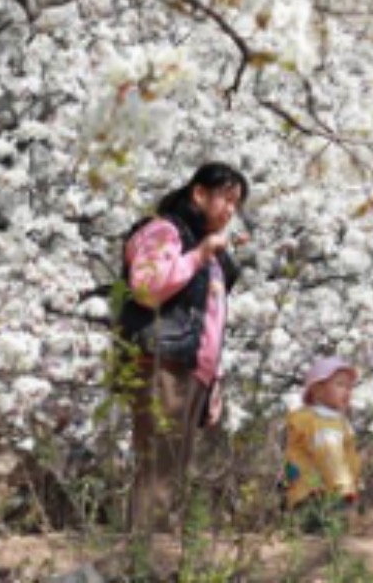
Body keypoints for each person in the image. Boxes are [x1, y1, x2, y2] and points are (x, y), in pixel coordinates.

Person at [115, 161, 249, 533]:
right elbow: (146, 288)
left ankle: (155, 551)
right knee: (159, 465)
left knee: (174, 468)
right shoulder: (165, 231)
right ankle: (143, 552)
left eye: (236, 203)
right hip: (164, 361)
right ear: (199, 194)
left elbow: (210, 323)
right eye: (226, 198)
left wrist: (214, 381)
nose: (230, 210)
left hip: (193, 369)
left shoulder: (212, 254)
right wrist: (198, 255)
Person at [283, 355, 362, 525]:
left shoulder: (342, 423)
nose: (347, 391)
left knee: (335, 533)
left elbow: (350, 456)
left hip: (336, 491)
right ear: (317, 390)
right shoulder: (310, 419)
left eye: (350, 387)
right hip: (311, 493)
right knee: (314, 531)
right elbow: (321, 454)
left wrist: (353, 481)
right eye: (340, 385)